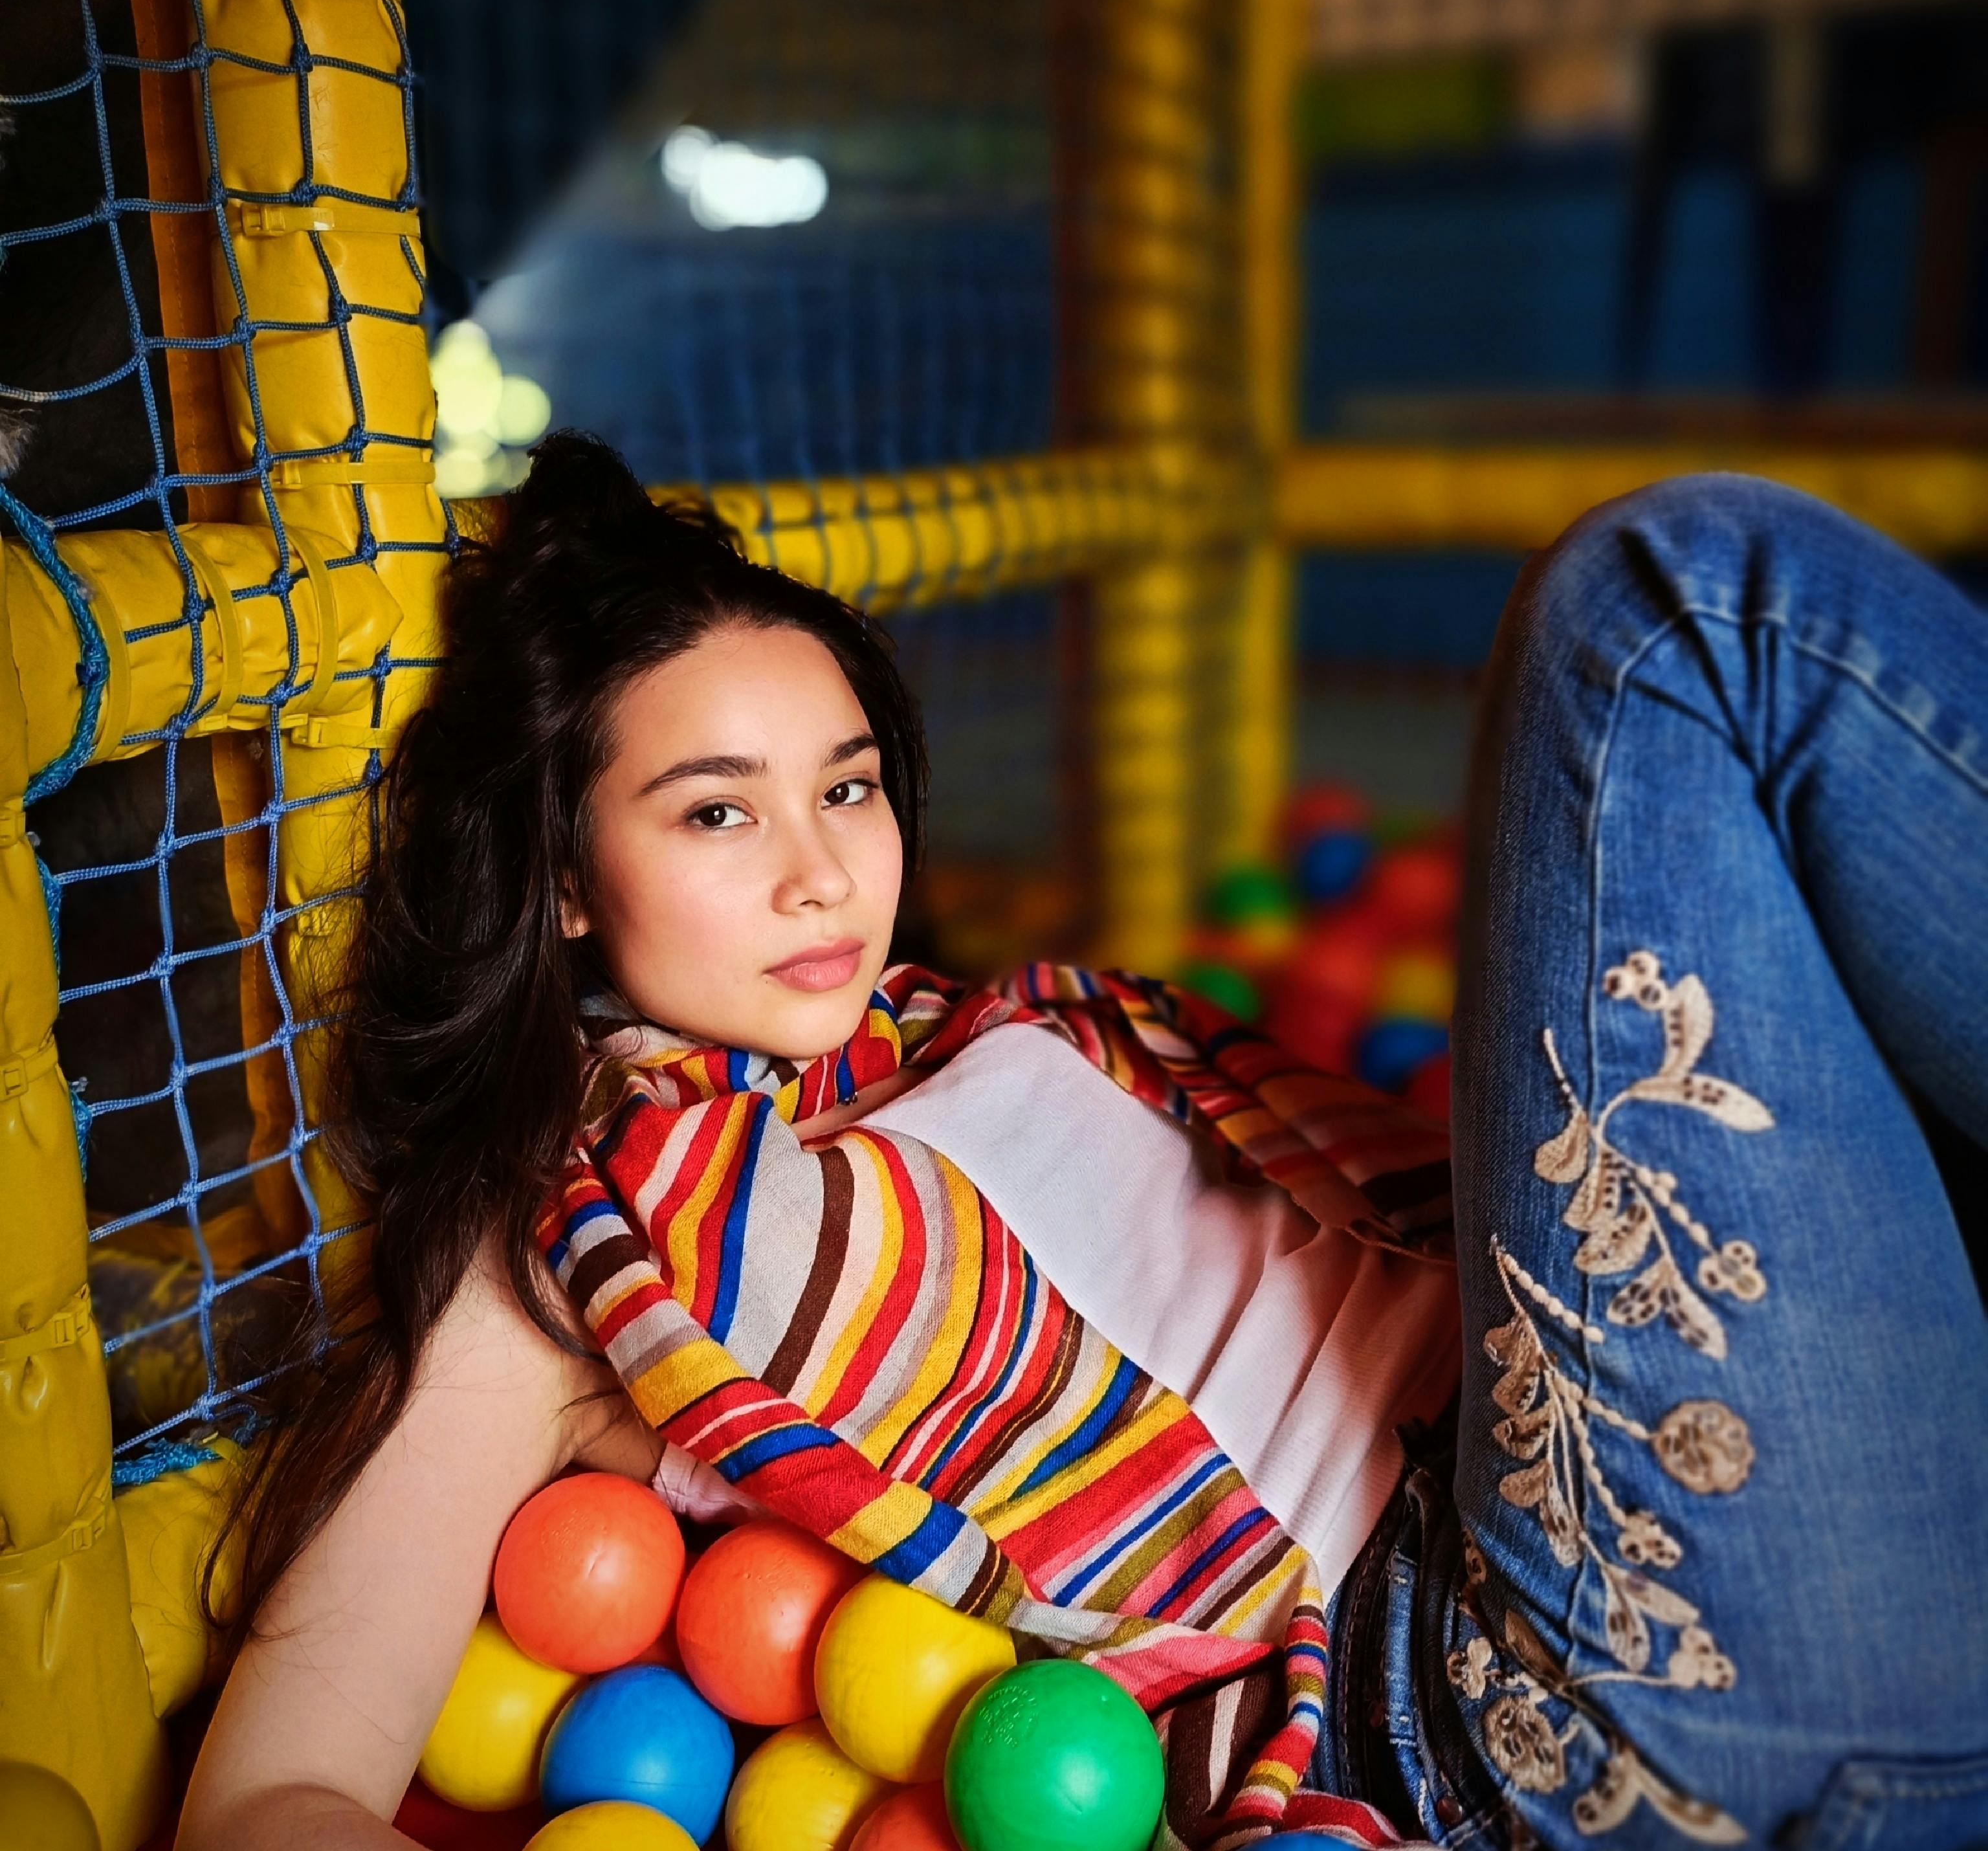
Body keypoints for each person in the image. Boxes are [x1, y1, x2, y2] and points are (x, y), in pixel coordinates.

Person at [177, 434, 1988, 1851]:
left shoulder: (981, 1034)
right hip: (1536, 1648)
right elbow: (270, 1799)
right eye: (715, 810)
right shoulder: (572, 1250)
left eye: (847, 785)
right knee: (1663, 610)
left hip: (1789, 1502)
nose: (822, 870)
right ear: (568, 885)